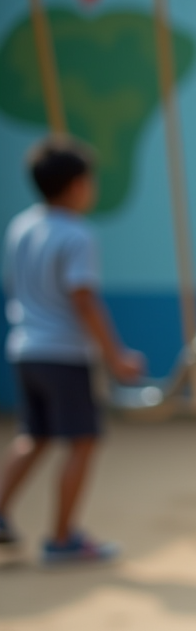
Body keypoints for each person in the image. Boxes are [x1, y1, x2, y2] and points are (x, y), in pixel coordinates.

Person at [0, 137, 144, 565]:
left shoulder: (21, 226)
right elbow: (83, 298)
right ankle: (62, 538)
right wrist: (115, 355)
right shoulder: (77, 234)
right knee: (82, 440)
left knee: (34, 435)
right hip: (62, 352)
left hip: (24, 347)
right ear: (77, 185)